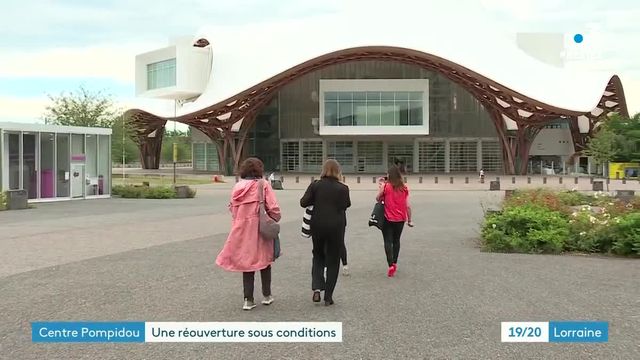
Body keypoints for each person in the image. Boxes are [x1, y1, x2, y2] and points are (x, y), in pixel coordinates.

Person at [216, 157, 282, 310]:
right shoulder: (263, 184)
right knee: (265, 260)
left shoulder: (238, 186)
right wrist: (274, 218)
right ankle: (267, 295)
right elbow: (273, 208)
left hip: (241, 228)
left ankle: (248, 299)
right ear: (259, 170)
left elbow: (233, 209)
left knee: (247, 262)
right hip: (259, 227)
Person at [300, 159, 351, 306]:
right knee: (333, 260)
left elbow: (303, 202)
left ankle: (317, 288)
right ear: (338, 171)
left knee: (318, 255)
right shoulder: (343, 188)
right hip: (336, 227)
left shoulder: (315, 185)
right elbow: (345, 205)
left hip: (318, 225)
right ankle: (328, 296)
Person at [376, 165, 413, 277]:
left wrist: (381, 187)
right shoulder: (404, 188)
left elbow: (378, 198)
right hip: (400, 219)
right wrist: (410, 220)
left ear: (389, 175)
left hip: (387, 218)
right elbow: (408, 205)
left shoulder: (386, 187)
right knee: (396, 241)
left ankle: (390, 264)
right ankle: (395, 262)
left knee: (387, 241)